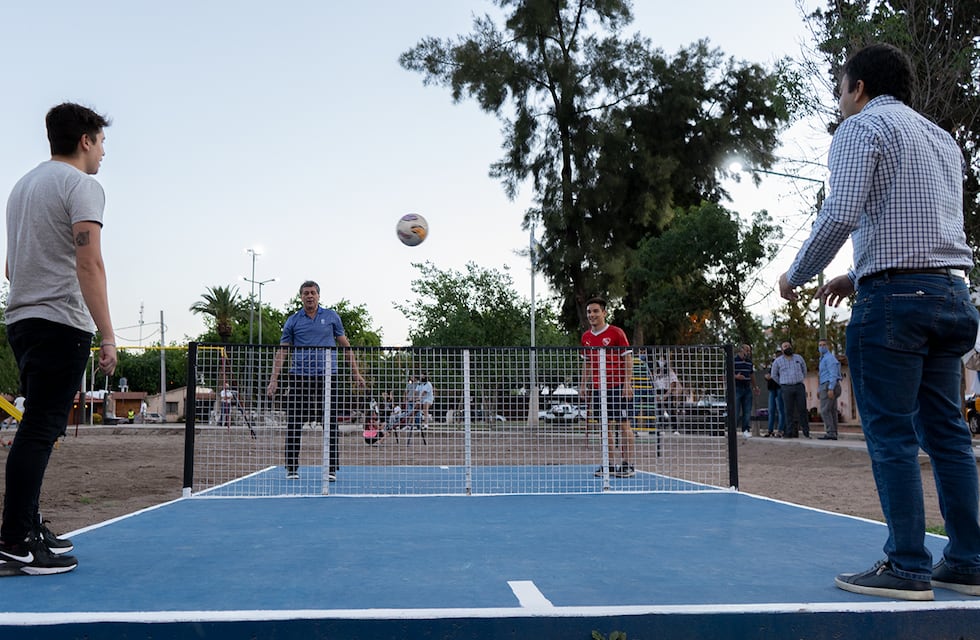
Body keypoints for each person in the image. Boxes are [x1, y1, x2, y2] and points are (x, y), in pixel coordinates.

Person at [779, 44, 980, 601]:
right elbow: (918, 222)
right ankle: (968, 562)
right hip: (949, 294)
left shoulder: (860, 128)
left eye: (840, 87)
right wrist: (856, 273)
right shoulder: (942, 140)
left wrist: (798, 273)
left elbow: (841, 211)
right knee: (948, 436)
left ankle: (907, 566)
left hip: (893, 305)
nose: (840, 99)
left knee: (890, 434)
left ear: (859, 86)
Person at [0, 103, 117, 576]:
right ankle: (15, 542)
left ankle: (26, 526)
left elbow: (11, 267)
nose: (104, 152)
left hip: (22, 320)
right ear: (86, 140)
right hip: (58, 323)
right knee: (39, 431)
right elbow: (90, 262)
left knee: (36, 428)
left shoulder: (22, 187)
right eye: (102, 142)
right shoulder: (81, 185)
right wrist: (108, 334)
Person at [267, 281, 364, 481]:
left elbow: (345, 346)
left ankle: (330, 468)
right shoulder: (293, 321)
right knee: (294, 422)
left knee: (330, 423)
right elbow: (283, 351)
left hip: (327, 377)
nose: (309, 296)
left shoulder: (331, 317)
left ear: (319, 296)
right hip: (300, 377)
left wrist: (356, 373)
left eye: (312, 293)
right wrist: (273, 380)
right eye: (305, 293)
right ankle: (292, 468)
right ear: (300, 297)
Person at [579, 297, 634, 478]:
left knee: (624, 425)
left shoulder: (616, 333)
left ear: (604, 312)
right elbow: (587, 363)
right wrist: (583, 385)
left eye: (595, 311)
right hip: (598, 388)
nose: (592, 315)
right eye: (589, 312)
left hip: (617, 386)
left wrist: (627, 383)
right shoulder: (586, 338)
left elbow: (627, 358)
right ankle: (609, 464)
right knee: (604, 427)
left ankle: (627, 465)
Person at [770, 340, 808, 438]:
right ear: (782, 350)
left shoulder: (799, 358)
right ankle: (789, 432)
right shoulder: (778, 361)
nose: (788, 348)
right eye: (785, 346)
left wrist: (800, 378)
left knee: (802, 409)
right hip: (786, 387)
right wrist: (782, 382)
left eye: (789, 346)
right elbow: (774, 375)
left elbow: (804, 370)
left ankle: (806, 432)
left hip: (799, 386)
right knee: (788, 410)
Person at [817, 339, 842, 440]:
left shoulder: (829, 358)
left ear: (828, 346)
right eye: (820, 345)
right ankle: (833, 432)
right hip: (826, 384)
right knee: (831, 410)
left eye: (824, 345)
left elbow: (833, 373)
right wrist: (819, 388)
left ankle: (831, 432)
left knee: (825, 410)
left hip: (829, 384)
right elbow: (822, 375)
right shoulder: (823, 359)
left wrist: (831, 388)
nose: (822, 347)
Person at [734, 344, 758, 436]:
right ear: (741, 350)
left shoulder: (749, 362)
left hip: (747, 388)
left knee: (747, 410)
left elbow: (751, 374)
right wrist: (736, 376)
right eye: (747, 350)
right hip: (736, 388)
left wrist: (755, 386)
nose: (748, 352)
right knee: (735, 411)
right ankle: (733, 429)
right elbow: (726, 374)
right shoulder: (733, 361)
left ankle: (746, 430)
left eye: (749, 351)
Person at [763, 368, 784, 437]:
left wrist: (771, 376)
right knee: (771, 410)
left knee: (780, 409)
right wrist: (767, 377)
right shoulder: (773, 364)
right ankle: (770, 430)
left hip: (779, 387)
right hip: (772, 388)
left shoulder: (781, 363)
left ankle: (780, 430)